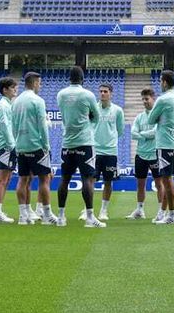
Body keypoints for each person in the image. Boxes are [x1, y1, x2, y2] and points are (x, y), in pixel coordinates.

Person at [52, 66, 104, 228]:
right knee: (87, 179)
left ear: (69, 78)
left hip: (67, 143)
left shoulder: (61, 94)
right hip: (85, 142)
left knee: (65, 179)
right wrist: (87, 119)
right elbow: (97, 116)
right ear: (82, 78)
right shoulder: (87, 94)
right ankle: (89, 217)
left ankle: (61, 217)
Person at [10, 71, 54, 225]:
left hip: (21, 145)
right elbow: (42, 125)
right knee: (45, 179)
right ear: (35, 83)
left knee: (23, 180)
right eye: (39, 83)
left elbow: (13, 125)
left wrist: (17, 142)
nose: (40, 86)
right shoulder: (38, 101)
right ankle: (46, 214)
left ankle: (23, 215)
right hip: (36, 146)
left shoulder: (16, 102)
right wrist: (46, 146)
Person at [148, 70, 174, 225]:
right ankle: (168, 213)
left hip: (165, 144)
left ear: (164, 82)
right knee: (169, 179)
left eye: (160, 81)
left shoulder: (163, 99)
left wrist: (159, 118)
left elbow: (151, 119)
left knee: (167, 179)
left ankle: (171, 215)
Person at [92, 82, 125, 222]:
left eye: (105, 91)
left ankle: (104, 210)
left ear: (111, 93)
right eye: (100, 91)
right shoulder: (93, 109)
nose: (102, 94)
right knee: (90, 181)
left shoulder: (117, 110)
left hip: (110, 151)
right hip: (94, 150)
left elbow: (120, 130)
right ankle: (88, 210)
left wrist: (110, 140)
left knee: (108, 181)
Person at [0, 76, 18, 224]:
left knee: (7, 179)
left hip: (8, 146)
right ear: (5, 89)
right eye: (12, 87)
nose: (15, 89)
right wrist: (13, 146)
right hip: (6, 147)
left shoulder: (7, 105)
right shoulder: (2, 106)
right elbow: (5, 127)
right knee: (2, 179)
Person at [127, 87, 157, 219]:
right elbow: (133, 134)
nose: (145, 101)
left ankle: (161, 211)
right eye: (143, 99)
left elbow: (155, 132)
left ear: (153, 99)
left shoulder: (158, 116)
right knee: (140, 184)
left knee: (160, 184)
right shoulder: (139, 117)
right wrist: (145, 135)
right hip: (141, 154)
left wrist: (141, 134)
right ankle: (140, 210)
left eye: (147, 99)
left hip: (155, 154)